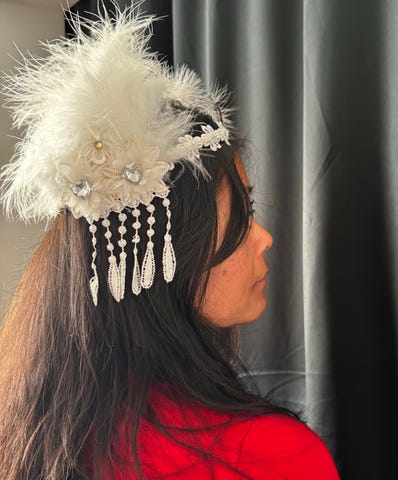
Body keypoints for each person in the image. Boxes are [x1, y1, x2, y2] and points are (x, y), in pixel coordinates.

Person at [0, 2, 340, 479]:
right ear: (162, 250)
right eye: (242, 215)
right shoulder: (272, 456)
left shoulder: (29, 431)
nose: (263, 238)